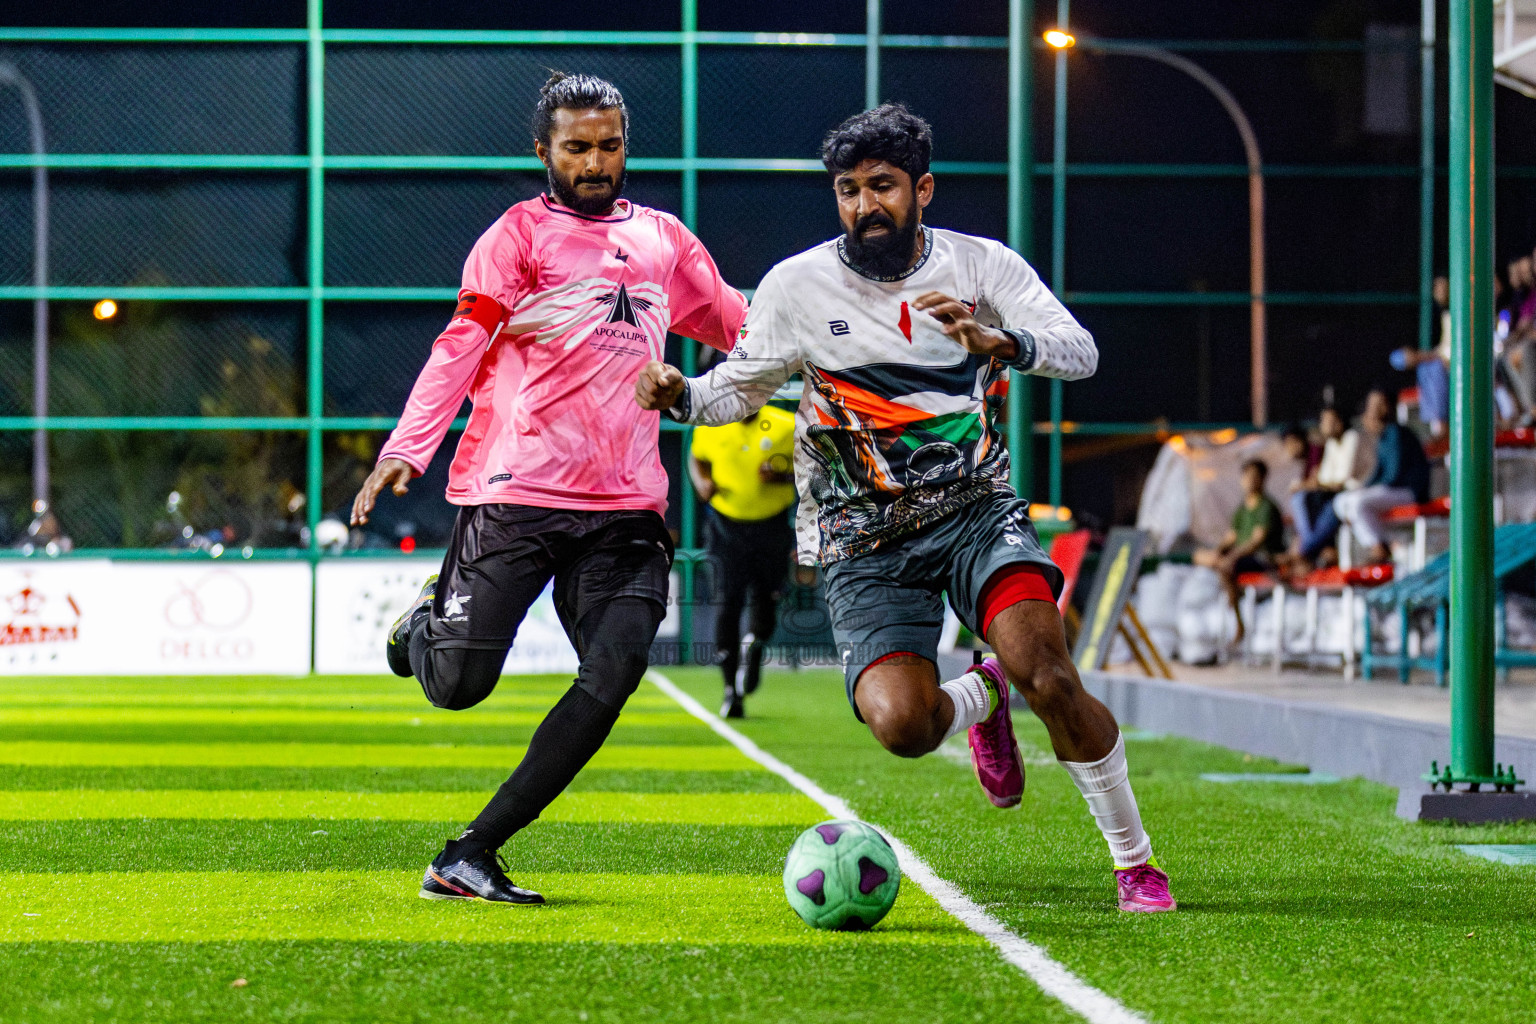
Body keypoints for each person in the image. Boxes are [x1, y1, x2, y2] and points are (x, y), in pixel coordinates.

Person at [635, 104, 1174, 912]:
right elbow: (734, 390)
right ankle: (984, 696)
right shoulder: (795, 285)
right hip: (862, 541)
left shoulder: (982, 266)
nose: (864, 206)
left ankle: (1135, 863)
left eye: (882, 186)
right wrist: (680, 394)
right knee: (904, 727)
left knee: (1053, 676)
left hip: (976, 512)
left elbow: (1081, 351)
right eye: (848, 191)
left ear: (922, 188)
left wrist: (1008, 345)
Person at [350, 72, 746, 905]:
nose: (596, 163)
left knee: (617, 667)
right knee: (457, 687)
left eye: (609, 146)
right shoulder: (516, 237)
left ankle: (472, 851)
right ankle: (431, 615)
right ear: (544, 152)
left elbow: (742, 328)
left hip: (627, 508)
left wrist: (836, 349)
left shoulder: (667, 241)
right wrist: (407, 449)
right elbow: (460, 345)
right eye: (577, 148)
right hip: (516, 489)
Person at [689, 402, 797, 718]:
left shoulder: (786, 424)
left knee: (767, 602)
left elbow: (814, 468)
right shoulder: (710, 425)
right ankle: (730, 691)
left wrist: (783, 475)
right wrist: (702, 483)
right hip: (725, 528)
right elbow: (698, 458)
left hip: (771, 525)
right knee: (727, 605)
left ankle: (755, 642)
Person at [1332, 388, 1430, 565]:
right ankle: (1389, 544)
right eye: (1371, 405)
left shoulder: (1396, 432)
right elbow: (1378, 472)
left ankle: (1379, 548)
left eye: (1378, 404)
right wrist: (1362, 487)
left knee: (1358, 502)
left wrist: (1365, 490)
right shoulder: (1383, 436)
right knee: (1341, 502)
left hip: (1409, 492)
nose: (1373, 410)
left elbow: (1393, 475)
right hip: (1391, 490)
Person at [1195, 459, 1285, 640]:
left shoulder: (1266, 507)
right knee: (1203, 557)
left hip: (1262, 558)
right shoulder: (1242, 509)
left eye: (1254, 477)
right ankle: (1231, 593)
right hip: (1239, 558)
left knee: (1227, 566)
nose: (1250, 481)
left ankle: (1238, 620)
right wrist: (1217, 551)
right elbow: (1231, 537)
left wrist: (1231, 556)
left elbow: (1255, 543)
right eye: (1247, 476)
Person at [1290, 405, 1373, 568]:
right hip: (1332, 494)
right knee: (1300, 498)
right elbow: (1325, 479)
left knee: (1329, 504)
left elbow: (1342, 480)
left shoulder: (1352, 438)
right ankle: (1313, 550)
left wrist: (1312, 484)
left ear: (1339, 422)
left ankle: (1304, 551)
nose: (1323, 425)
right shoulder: (1331, 444)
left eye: (1327, 421)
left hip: (1352, 493)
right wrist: (1313, 484)